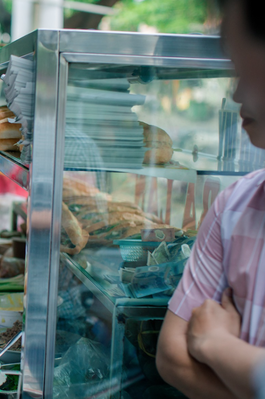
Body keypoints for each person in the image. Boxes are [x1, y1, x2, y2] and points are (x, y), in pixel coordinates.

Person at [156, 1, 265, 398]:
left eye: (242, 66)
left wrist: (215, 343)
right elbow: (172, 355)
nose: (236, 92)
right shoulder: (237, 202)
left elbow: (192, 342)